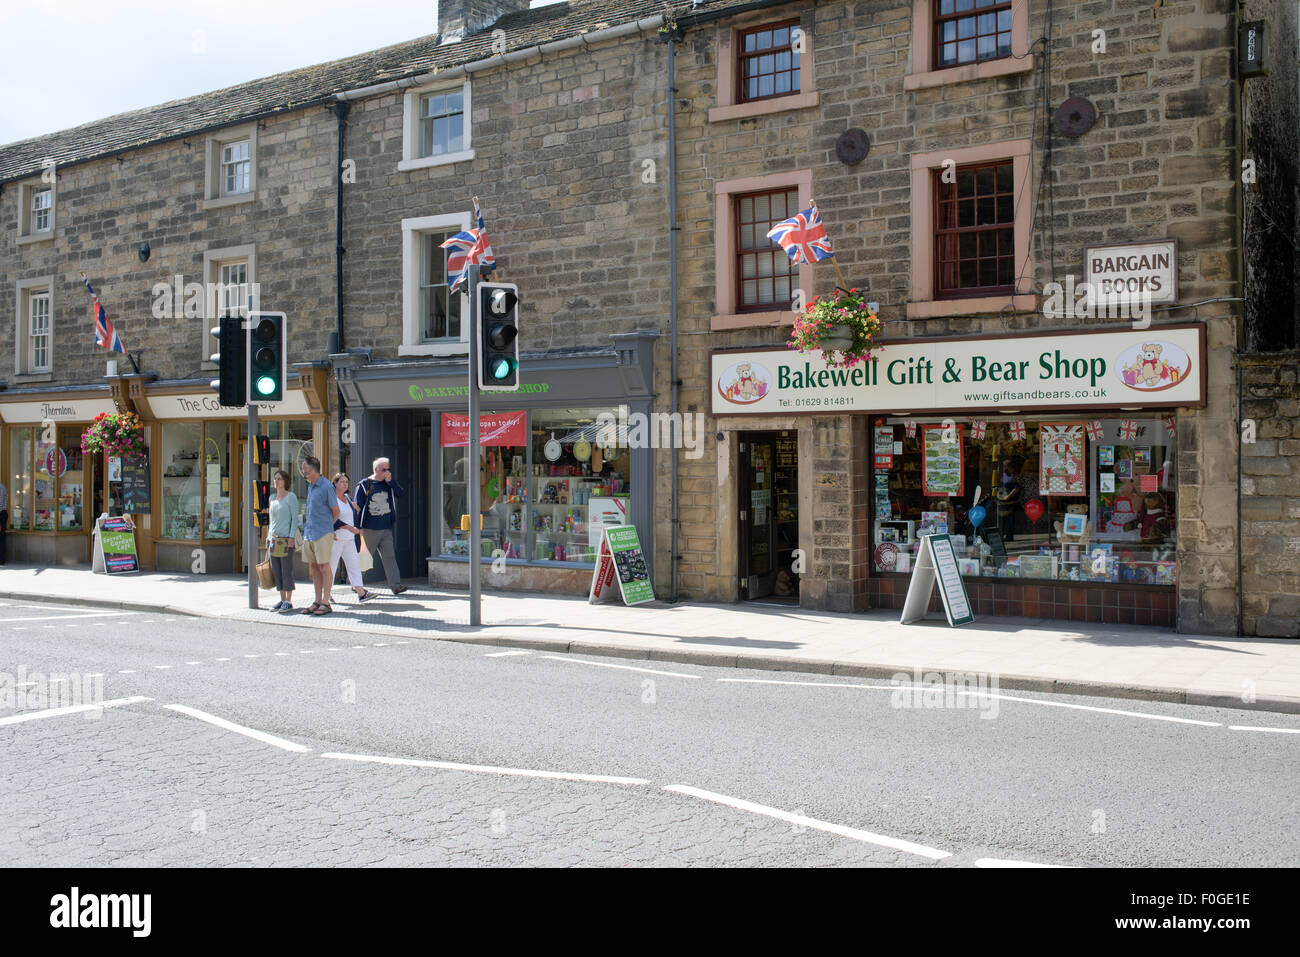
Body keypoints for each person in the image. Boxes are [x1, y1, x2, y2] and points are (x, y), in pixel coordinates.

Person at [353, 456, 407, 594]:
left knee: (390, 556)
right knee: (365, 558)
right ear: (376, 470)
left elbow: (401, 494)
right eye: (384, 470)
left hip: (386, 528)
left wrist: (392, 482)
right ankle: (355, 584)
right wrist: (357, 526)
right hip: (369, 528)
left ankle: (396, 585)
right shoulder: (365, 484)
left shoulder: (389, 484)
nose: (387, 472)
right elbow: (357, 507)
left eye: (388, 469)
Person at [298, 455, 338, 616]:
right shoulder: (311, 486)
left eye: (305, 469)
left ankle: (326, 602)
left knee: (324, 566)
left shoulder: (327, 486)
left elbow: (336, 511)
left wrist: (329, 528)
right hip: (310, 532)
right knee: (314, 567)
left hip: (322, 532)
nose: (303, 472)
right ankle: (317, 600)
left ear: (313, 469)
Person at [327, 473, 375, 604]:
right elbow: (333, 520)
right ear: (335, 483)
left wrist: (356, 514)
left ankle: (361, 592)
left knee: (354, 564)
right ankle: (326, 593)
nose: (344, 484)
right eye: (341, 482)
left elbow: (353, 515)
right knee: (331, 566)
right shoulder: (332, 499)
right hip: (336, 538)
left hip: (349, 539)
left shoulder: (347, 498)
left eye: (346, 482)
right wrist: (349, 527)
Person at [265, 469, 299, 612]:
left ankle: (289, 601)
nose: (276, 481)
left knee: (286, 570)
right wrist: (268, 537)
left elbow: (294, 519)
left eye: (279, 478)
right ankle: (282, 598)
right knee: (277, 570)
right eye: (275, 478)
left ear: (285, 481)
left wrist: (291, 537)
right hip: (274, 538)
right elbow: (271, 520)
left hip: (286, 539)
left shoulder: (291, 497)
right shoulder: (272, 497)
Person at [0, 477, 8, 565]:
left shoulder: (0, 488)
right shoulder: (2, 487)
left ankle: (1, 559)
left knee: (1, 538)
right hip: (2, 514)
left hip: (1, 515)